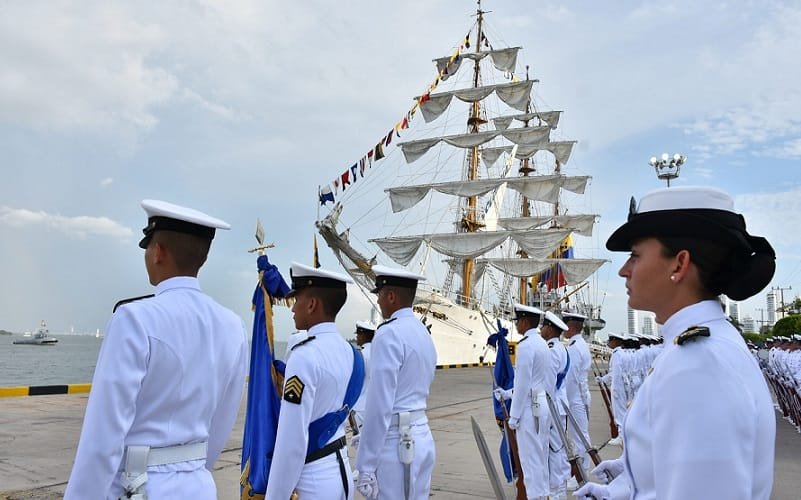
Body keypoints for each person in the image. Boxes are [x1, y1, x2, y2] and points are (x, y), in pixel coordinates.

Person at [575, 186, 776, 500]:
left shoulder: (699, 365)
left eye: (636, 256)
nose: (624, 270)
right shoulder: (699, 348)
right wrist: (631, 481)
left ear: (679, 265)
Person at [64, 200, 248, 499]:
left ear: (158, 252)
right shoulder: (233, 325)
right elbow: (223, 420)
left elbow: (103, 439)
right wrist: (192, 466)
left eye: (148, 247)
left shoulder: (134, 319)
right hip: (199, 485)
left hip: (141, 487)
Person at [266, 262, 364, 500]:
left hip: (312, 480)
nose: (292, 309)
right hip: (340, 471)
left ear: (312, 304)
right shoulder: (353, 354)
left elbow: (291, 441)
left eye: (296, 299)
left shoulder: (304, 356)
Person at [355, 265, 437, 500]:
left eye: (379, 294)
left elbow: (380, 404)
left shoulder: (388, 333)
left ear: (390, 296)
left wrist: (366, 464)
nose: (379, 302)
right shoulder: (423, 333)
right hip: (421, 435)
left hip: (398, 445)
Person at [494, 303, 551, 500]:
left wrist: (514, 417)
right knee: (540, 457)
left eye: (518, 321)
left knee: (529, 462)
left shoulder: (526, 345)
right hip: (541, 403)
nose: (516, 325)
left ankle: (535, 497)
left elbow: (524, 383)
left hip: (529, 409)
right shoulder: (542, 343)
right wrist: (508, 393)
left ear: (525, 322)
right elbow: (532, 381)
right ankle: (543, 495)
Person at [541, 311, 571, 500]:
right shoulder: (561, 348)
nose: (541, 329)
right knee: (557, 448)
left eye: (544, 326)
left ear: (550, 328)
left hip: (553, 406)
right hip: (560, 404)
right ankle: (558, 488)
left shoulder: (552, 350)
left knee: (553, 449)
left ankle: (556, 491)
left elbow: (548, 385)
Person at [561, 311, 592, 489]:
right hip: (581, 396)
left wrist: (566, 401)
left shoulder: (574, 348)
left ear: (571, 326)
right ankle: (581, 472)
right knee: (580, 435)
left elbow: (571, 379)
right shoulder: (580, 344)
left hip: (575, 398)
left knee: (579, 437)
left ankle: (581, 475)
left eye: (566, 325)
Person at [351, 320, 377, 429]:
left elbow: (353, 383)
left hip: (360, 408)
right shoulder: (380, 352)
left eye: (358, 334)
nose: (357, 337)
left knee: (360, 444)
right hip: (376, 405)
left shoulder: (359, 355)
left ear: (363, 335)